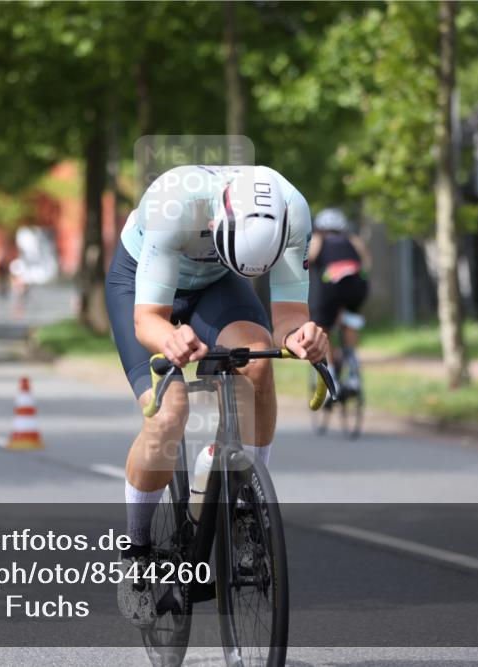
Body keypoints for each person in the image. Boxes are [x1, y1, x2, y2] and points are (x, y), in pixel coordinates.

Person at [105, 165, 329, 626]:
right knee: (170, 411)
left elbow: (287, 317)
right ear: (214, 222)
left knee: (259, 361)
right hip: (142, 283)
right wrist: (170, 339)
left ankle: (247, 509)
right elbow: (148, 320)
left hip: (216, 282)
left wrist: (301, 336)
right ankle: (135, 552)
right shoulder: (174, 206)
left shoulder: (292, 211)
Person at [308, 208, 371, 390]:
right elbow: (367, 262)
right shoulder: (353, 239)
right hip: (356, 284)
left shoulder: (319, 238)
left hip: (331, 286)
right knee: (349, 322)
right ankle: (353, 372)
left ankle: (331, 377)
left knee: (323, 328)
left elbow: (310, 258)